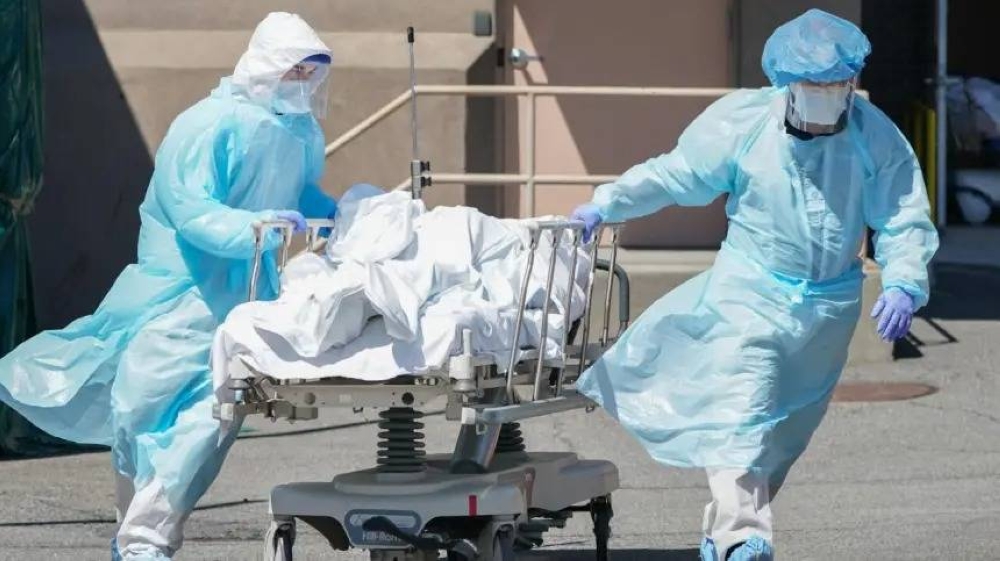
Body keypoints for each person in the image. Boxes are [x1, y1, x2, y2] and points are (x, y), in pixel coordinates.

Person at [571, 9, 938, 561]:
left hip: (827, 309)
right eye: (813, 84)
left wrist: (904, 282)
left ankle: (724, 532)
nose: (826, 94)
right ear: (787, 83)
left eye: (836, 83)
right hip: (750, 294)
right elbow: (677, 174)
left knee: (783, 436)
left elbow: (903, 216)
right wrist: (607, 203)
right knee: (742, 413)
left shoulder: (875, 137)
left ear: (851, 83)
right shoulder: (745, 124)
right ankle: (742, 537)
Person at [0, 12, 340, 560]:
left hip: (244, 301)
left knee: (209, 420)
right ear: (266, 65)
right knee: (140, 410)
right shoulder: (209, 125)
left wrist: (337, 212)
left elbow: (298, 193)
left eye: (310, 73)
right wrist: (249, 228)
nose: (302, 83)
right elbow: (189, 207)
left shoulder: (298, 134)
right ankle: (133, 534)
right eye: (294, 70)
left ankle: (146, 540)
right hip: (180, 294)